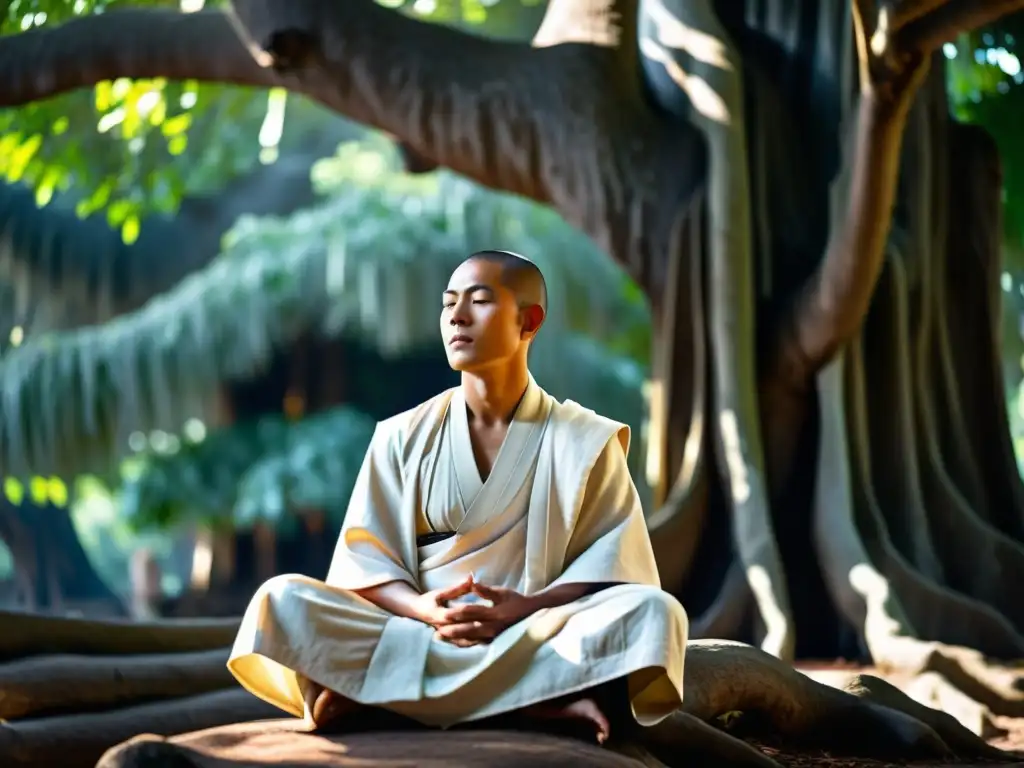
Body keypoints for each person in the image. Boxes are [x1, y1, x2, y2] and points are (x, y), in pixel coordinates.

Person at [227, 250, 688, 744]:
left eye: (480, 301)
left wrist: (524, 608)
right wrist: (426, 610)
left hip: (531, 634)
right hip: (418, 631)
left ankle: (381, 697)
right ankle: (543, 701)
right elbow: (366, 564)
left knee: (655, 613)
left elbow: (613, 568)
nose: (457, 316)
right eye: (449, 304)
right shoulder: (401, 436)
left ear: (528, 321)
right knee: (280, 600)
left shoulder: (583, 439)